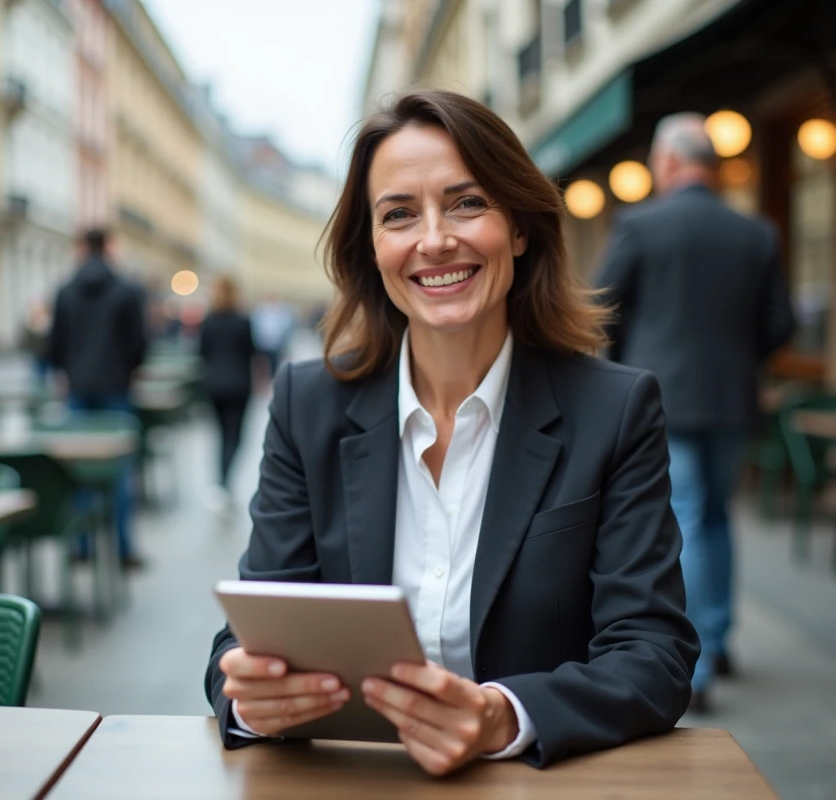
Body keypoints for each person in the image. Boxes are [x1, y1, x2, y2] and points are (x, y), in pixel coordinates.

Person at [205, 90, 699, 774]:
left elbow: (654, 653)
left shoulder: (613, 410)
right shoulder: (305, 403)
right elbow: (248, 632)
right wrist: (250, 695)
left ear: (520, 228)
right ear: (373, 248)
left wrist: (503, 716)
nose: (434, 239)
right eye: (399, 214)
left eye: (467, 203)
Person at [594, 114, 795, 714]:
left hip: (660, 398)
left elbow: (602, 308)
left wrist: (621, 367)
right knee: (716, 515)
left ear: (673, 162)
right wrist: (739, 361)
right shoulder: (756, 232)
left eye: (657, 164)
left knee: (684, 518)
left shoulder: (639, 224)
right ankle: (722, 639)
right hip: (732, 401)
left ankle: (699, 667)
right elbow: (781, 323)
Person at [50, 227, 147, 569]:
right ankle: (123, 549)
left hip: (77, 387)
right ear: (108, 247)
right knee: (119, 470)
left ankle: (81, 545)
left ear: (81, 247)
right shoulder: (127, 290)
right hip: (116, 387)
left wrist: (69, 370)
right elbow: (139, 343)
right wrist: (129, 368)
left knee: (77, 469)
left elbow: (54, 345)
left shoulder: (64, 291)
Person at [198, 274, 258, 511]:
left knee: (220, 436)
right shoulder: (243, 320)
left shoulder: (208, 321)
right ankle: (224, 483)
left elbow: (202, 352)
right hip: (239, 384)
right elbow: (251, 352)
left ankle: (220, 484)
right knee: (235, 437)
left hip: (213, 384)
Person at [250, 293, 293, 377]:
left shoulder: (282, 313)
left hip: (276, 344)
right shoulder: (260, 312)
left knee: (275, 363)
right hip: (263, 344)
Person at [20, 298, 52, 390]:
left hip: (48, 357)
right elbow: (25, 342)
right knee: (37, 380)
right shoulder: (30, 326)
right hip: (36, 358)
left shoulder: (48, 325)